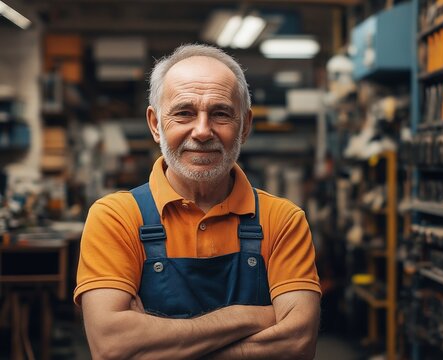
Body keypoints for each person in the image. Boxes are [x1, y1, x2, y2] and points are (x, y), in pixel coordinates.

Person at [74, 44, 321, 359]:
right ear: (155, 124)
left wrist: (156, 345)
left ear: (245, 125)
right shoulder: (116, 217)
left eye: (220, 113)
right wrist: (250, 317)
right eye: (184, 113)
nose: (203, 131)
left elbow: (298, 344)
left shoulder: (283, 220)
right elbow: (111, 347)